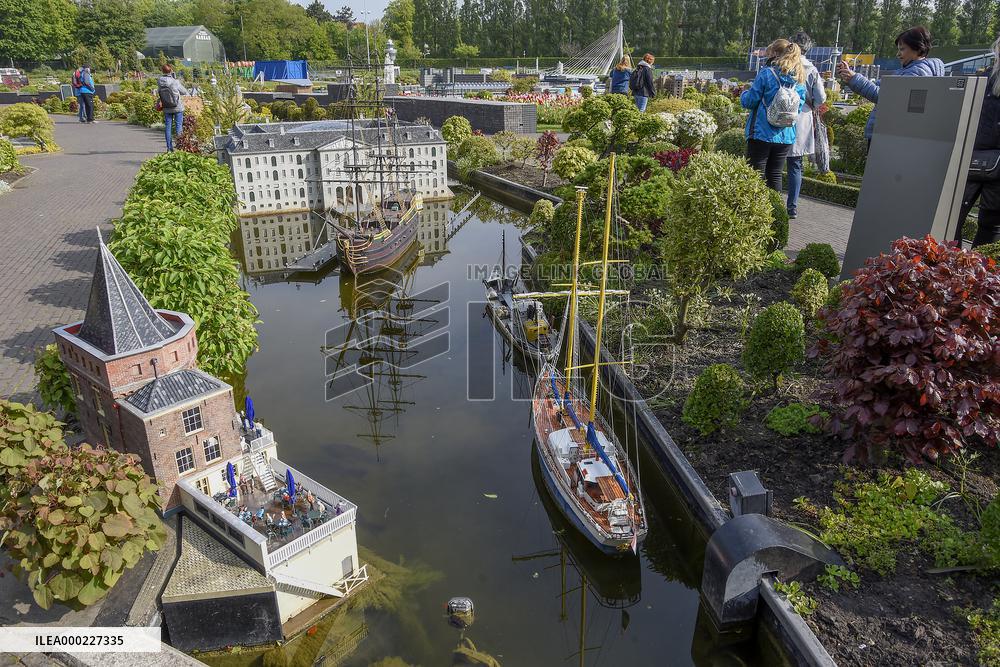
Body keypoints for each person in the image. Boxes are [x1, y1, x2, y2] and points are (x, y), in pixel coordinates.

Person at [837, 26, 943, 145]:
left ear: (918, 49)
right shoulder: (908, 70)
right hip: (890, 134)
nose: (898, 54)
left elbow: (886, 98)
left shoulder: (916, 73)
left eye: (902, 49)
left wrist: (854, 78)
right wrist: (852, 76)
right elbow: (878, 86)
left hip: (890, 136)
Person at [740, 39, 807, 192]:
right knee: (775, 176)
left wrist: (743, 93)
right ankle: (774, 212)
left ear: (776, 54)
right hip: (786, 134)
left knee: (754, 176)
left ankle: (755, 213)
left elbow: (750, 101)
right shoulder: (799, 80)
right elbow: (799, 106)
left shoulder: (767, 74)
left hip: (761, 132)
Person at [956, 35, 1000, 248]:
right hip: (989, 160)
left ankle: (947, 267)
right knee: (990, 225)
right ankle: (978, 274)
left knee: (953, 216)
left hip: (972, 156)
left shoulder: (982, 78)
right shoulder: (985, 78)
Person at [786, 31, 826, 219]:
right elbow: (820, 98)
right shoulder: (811, 69)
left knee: (775, 162)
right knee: (795, 165)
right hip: (802, 117)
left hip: (780, 117)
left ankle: (770, 202)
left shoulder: (782, 64)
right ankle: (792, 207)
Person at [157, 64, 189, 151]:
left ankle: (169, 148)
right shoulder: (175, 81)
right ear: (171, 71)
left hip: (166, 106)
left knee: (168, 127)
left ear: (162, 71)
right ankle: (180, 147)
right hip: (177, 106)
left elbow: (158, 91)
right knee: (178, 126)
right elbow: (184, 91)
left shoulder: (159, 81)